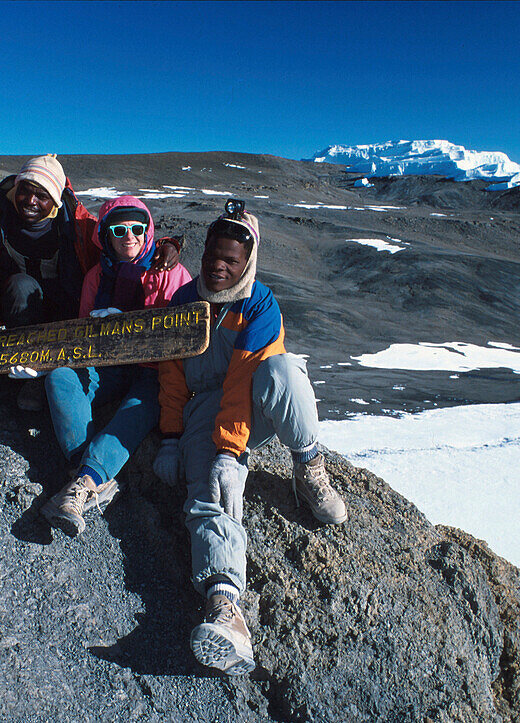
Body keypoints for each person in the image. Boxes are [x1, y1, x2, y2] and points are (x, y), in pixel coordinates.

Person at [153, 200, 348, 676]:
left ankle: (309, 467)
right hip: (202, 409)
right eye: (211, 257)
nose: (218, 266)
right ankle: (226, 606)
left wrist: (230, 450)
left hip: (251, 408)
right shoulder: (182, 305)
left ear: (248, 264)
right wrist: (173, 438)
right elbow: (172, 377)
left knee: (283, 369)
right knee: (209, 494)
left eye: (231, 260)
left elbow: (243, 380)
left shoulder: (259, 303)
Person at [0, 156, 181, 410]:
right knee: (21, 287)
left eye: (42, 195)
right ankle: (20, 358)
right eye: (25, 190)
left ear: (54, 201)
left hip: (64, 310)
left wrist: (164, 244)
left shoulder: (77, 223)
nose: (31, 201)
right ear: (15, 189)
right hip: (11, 304)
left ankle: (42, 373)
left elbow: (121, 241)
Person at [12, 196, 191, 537]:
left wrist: (129, 324)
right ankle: (95, 477)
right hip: (105, 365)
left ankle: (83, 483)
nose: (130, 236)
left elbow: (179, 334)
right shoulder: (97, 276)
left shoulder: (172, 273)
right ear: (105, 235)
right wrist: (48, 363)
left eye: (138, 229)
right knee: (62, 379)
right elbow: (82, 334)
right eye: (119, 229)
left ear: (148, 232)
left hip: (155, 369)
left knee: (139, 409)